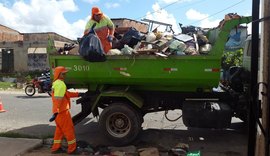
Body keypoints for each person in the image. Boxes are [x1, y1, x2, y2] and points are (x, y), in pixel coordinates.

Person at [49, 66, 83, 154]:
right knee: (69, 130)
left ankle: (56, 148)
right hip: (62, 111)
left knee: (59, 131)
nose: (65, 75)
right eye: (63, 73)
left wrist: (79, 94)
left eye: (65, 73)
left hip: (58, 112)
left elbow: (66, 94)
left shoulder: (56, 83)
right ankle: (72, 149)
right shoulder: (61, 84)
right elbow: (58, 99)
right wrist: (56, 111)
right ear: (59, 74)